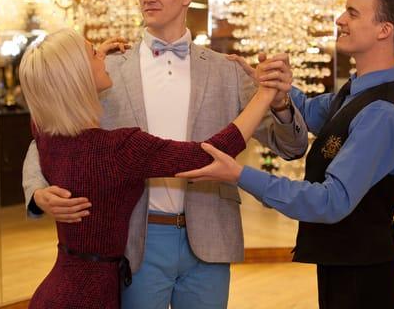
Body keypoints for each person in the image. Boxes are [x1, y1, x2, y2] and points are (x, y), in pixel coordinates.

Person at [22, 0, 308, 309]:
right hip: (136, 239)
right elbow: (51, 134)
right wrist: (37, 191)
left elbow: (292, 147)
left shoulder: (229, 70)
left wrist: (280, 102)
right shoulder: (109, 71)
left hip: (211, 232)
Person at [177, 0, 394, 309]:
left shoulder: (381, 113)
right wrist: (272, 84)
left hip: (364, 277)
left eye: (353, 13)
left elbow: (330, 201)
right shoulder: (353, 93)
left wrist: (239, 174)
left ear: (385, 30)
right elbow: (306, 110)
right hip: (344, 264)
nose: (340, 20)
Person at [20, 28, 279, 308]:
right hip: (92, 295)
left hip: (59, 291)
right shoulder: (121, 148)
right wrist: (264, 94)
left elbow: (45, 122)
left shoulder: (48, 133)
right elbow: (206, 155)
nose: (104, 57)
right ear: (77, 76)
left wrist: (85, 61)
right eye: (94, 53)